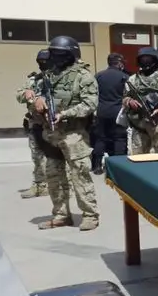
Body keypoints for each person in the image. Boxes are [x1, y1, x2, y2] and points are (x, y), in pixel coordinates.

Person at [32, 36, 100, 231]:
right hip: (51, 135)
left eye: (62, 54)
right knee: (54, 176)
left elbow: (90, 104)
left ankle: (90, 214)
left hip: (74, 135)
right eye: (55, 54)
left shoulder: (84, 76)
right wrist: (38, 99)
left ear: (72, 54)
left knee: (80, 175)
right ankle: (61, 214)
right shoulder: (49, 75)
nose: (57, 58)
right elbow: (35, 92)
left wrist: (65, 114)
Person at [123, 47, 158, 155]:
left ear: (155, 59)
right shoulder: (132, 79)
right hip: (138, 125)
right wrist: (129, 101)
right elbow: (125, 97)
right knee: (137, 158)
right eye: (142, 58)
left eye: (148, 58)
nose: (145, 60)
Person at [16, 49, 54, 198]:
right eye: (40, 62)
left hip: (54, 124)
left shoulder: (58, 78)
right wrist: (26, 93)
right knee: (37, 156)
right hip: (36, 124)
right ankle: (39, 185)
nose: (42, 64)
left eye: (45, 61)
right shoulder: (33, 80)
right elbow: (19, 95)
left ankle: (61, 186)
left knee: (57, 157)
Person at [92, 53, 129, 173]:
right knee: (119, 138)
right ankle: (117, 166)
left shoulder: (98, 76)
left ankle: (97, 165)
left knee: (100, 138)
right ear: (119, 63)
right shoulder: (124, 77)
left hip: (102, 111)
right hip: (118, 112)